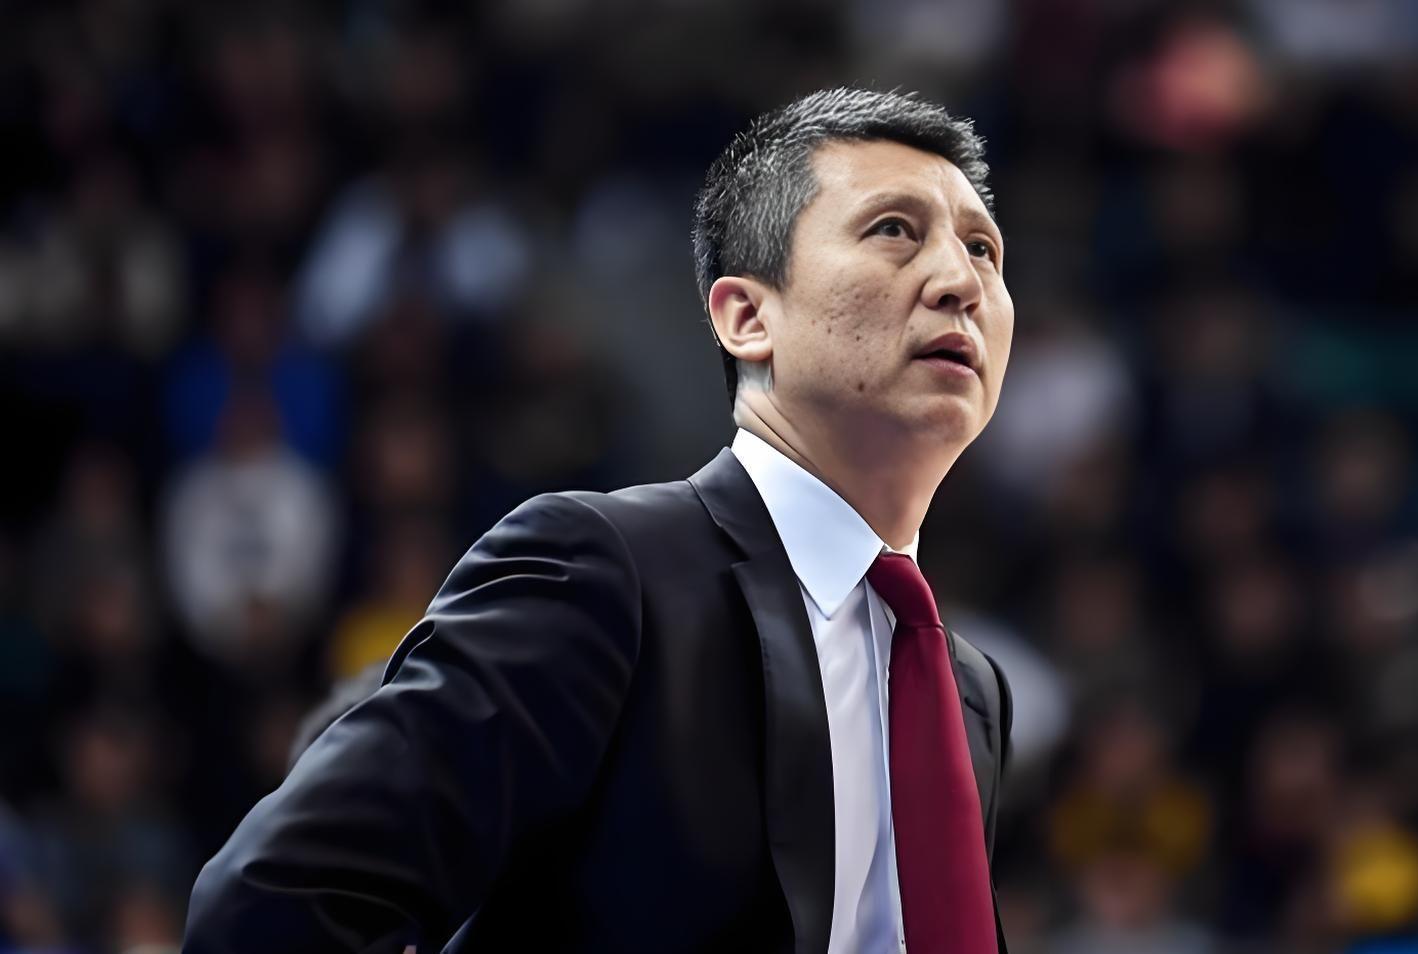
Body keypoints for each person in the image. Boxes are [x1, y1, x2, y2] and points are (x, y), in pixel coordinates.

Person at [182, 86, 1017, 954]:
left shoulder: (971, 696)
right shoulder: (601, 573)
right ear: (746, 316)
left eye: (984, 249)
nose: (962, 281)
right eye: (894, 229)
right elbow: (273, 904)